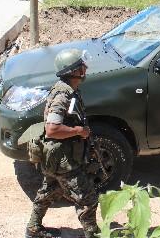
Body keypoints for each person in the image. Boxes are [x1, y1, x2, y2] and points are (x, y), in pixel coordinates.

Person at [26, 48, 99, 238]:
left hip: (57, 157)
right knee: (88, 199)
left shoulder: (69, 90)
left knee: (48, 191)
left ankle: (33, 229)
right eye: (81, 65)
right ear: (72, 71)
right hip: (62, 159)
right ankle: (93, 234)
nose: (85, 67)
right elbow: (52, 129)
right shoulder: (62, 95)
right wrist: (79, 131)